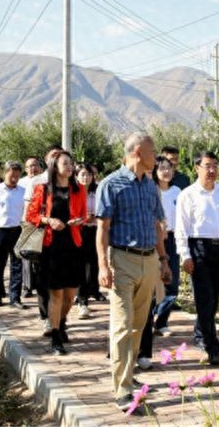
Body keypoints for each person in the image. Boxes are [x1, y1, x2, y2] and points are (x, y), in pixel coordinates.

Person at [95, 132, 172, 412]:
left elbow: (157, 225)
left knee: (140, 325)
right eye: (153, 152)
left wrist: (163, 260)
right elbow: (102, 229)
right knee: (122, 325)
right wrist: (103, 265)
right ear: (138, 152)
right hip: (122, 261)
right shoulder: (110, 184)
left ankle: (127, 373)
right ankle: (123, 391)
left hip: (149, 259)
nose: (157, 158)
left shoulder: (150, 186)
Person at [175, 151, 219, 366]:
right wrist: (184, 254)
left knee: (213, 299)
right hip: (198, 248)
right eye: (207, 166)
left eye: (215, 166)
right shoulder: (188, 195)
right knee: (204, 298)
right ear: (197, 168)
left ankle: (201, 334)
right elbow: (181, 228)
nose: (212, 170)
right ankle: (210, 346)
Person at [26, 151, 86, 355]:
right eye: (65, 163)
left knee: (70, 295)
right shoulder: (42, 189)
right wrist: (49, 220)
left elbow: (83, 215)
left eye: (71, 163)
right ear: (54, 166)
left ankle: (61, 322)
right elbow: (32, 215)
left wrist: (78, 221)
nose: (70, 167)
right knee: (56, 293)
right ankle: (55, 336)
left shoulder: (79, 190)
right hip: (51, 247)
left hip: (73, 244)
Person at [23, 144, 63, 337]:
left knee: (62, 281)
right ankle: (46, 317)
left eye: (60, 155)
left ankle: (59, 319)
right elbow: (29, 211)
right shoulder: (37, 182)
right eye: (53, 155)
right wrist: (27, 233)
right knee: (43, 278)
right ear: (46, 159)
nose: (56, 159)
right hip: (42, 236)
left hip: (64, 239)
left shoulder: (69, 182)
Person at [0, 161, 26, 308]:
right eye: (12, 175)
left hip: (17, 231)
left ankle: (15, 298)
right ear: (5, 173)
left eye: (17, 176)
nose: (14, 178)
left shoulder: (22, 191)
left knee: (17, 265)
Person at [152, 156, 182, 337]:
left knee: (171, 281)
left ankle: (161, 322)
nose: (166, 171)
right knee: (152, 282)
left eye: (169, 168)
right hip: (154, 239)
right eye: (162, 168)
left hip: (173, 238)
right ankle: (148, 317)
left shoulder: (178, 191)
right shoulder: (151, 190)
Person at [75, 162, 103, 319]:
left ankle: (87, 294)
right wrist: (84, 218)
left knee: (92, 266)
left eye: (89, 175)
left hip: (95, 231)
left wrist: (95, 217)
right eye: (83, 174)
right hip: (78, 232)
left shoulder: (97, 192)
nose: (86, 178)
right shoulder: (72, 193)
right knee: (80, 267)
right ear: (76, 176)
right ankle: (82, 302)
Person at [18, 156, 43, 298]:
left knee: (40, 255)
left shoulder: (44, 181)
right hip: (27, 223)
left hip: (42, 222)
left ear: (40, 167)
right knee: (26, 254)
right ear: (26, 169)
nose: (32, 168)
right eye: (29, 166)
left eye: (35, 165)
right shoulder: (21, 183)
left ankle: (40, 284)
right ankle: (27, 286)